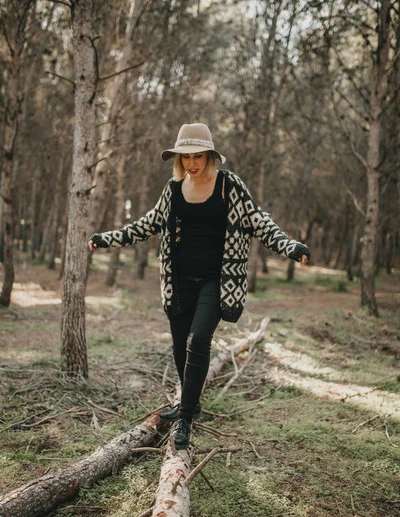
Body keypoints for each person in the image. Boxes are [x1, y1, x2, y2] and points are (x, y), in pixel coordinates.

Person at [88, 122, 310, 450]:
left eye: (198, 156)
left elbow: (258, 221)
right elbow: (146, 224)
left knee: (198, 339)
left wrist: (289, 245)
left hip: (217, 281)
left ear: (210, 156)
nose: (192, 162)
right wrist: (106, 239)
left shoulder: (228, 186)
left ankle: (186, 419)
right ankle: (188, 402)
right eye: (185, 156)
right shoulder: (174, 189)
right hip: (178, 282)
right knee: (181, 349)